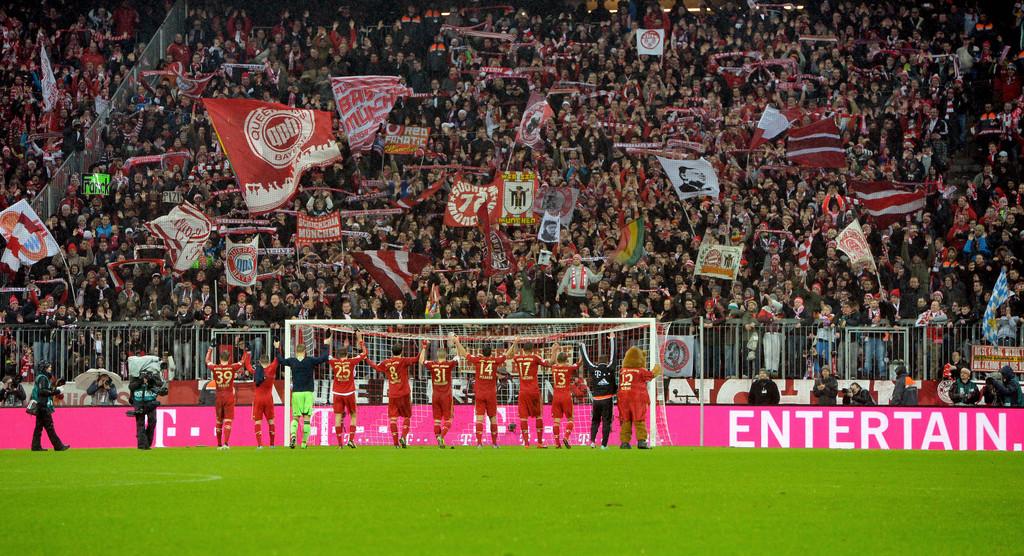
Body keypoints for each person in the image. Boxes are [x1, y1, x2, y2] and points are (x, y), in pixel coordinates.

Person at [453, 335, 517, 448]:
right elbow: (507, 355)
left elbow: (464, 354)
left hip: (480, 394)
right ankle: (494, 443)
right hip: (491, 394)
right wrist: (515, 343)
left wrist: (457, 342)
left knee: (479, 418)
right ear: (491, 353)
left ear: (482, 352)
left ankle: (479, 443)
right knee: (493, 417)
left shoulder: (478, 360)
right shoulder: (494, 361)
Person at [367, 342, 420, 448]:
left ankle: (396, 443)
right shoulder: (404, 361)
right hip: (404, 393)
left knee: (393, 419)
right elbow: (416, 359)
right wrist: (423, 348)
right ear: (402, 351)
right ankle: (404, 437)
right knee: (407, 416)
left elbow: (375, 367)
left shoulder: (386, 362)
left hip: (393, 394)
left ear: (392, 351)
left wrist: (366, 359)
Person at [280, 338, 330, 449]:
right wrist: (326, 345)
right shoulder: (310, 361)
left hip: (296, 393)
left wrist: (277, 347)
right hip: (307, 393)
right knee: (307, 418)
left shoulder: (292, 361)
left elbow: (280, 361)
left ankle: (293, 435)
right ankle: (303, 444)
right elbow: (323, 358)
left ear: (296, 351)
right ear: (305, 351)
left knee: (296, 417)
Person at [205, 345, 251, 450]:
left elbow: (207, 360)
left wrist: (210, 348)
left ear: (220, 359)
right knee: (228, 420)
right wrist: (246, 351)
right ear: (229, 358)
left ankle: (219, 445)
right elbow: (242, 362)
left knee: (219, 421)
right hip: (229, 396)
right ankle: (226, 443)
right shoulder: (232, 367)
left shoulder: (215, 368)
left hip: (219, 396)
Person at [618, 346, 662, 449]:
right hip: (637, 398)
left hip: (623, 397)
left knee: (626, 420)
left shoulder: (622, 370)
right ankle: (641, 441)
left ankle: (624, 443)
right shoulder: (640, 370)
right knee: (639, 419)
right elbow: (650, 375)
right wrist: (656, 369)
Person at [509, 342, 552, 448]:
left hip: (523, 392)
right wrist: (554, 351)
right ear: (532, 349)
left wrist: (515, 343)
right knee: (538, 416)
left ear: (523, 350)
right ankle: (540, 443)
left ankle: (526, 444)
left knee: (523, 418)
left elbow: (513, 355)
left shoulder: (518, 359)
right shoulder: (535, 357)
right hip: (533, 391)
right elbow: (549, 363)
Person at [328, 332, 366, 448]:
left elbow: (327, 355)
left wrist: (328, 340)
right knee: (354, 415)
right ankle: (351, 440)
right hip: (349, 393)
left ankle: (340, 444)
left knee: (338, 417)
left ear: (338, 355)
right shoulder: (351, 361)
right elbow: (364, 354)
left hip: (337, 393)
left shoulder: (333, 361)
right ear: (347, 354)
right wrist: (360, 339)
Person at [580, 335, 617, 449]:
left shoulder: (594, 369)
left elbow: (586, 361)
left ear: (598, 361)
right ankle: (604, 445)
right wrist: (612, 340)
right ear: (607, 361)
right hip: (607, 399)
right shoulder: (610, 368)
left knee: (595, 420)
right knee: (606, 421)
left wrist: (582, 347)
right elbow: (614, 356)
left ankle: (592, 442)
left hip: (596, 400)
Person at [421, 339, 457, 448]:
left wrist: (424, 348)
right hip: (446, 396)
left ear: (437, 355)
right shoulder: (449, 364)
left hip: (435, 396)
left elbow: (421, 361)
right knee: (449, 419)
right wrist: (457, 343)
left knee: (437, 421)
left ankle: (438, 439)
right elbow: (459, 357)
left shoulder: (432, 364)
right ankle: (441, 436)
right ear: (446, 356)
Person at [30, 365, 69, 451]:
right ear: (44, 368)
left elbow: (43, 390)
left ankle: (35, 446)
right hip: (43, 406)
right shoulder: (43, 378)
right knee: (49, 427)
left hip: (39, 405)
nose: (50, 368)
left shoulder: (40, 377)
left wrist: (55, 389)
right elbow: (43, 391)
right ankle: (58, 446)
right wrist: (57, 391)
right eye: (49, 367)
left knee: (39, 427)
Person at [549, 347, 581, 449]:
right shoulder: (569, 368)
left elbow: (552, 361)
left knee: (556, 421)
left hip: (556, 397)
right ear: (566, 360)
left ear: (558, 360)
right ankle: (566, 437)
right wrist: (582, 356)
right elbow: (579, 364)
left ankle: (557, 443)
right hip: (566, 396)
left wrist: (554, 350)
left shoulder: (554, 367)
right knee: (570, 419)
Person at [129, 368, 165, 449]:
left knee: (152, 421)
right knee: (140, 423)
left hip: (150, 401)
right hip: (139, 401)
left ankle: (147, 443)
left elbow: (160, 384)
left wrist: (151, 380)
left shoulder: (154, 373)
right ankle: (142, 445)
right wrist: (141, 381)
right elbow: (131, 386)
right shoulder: (136, 374)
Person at [252, 349, 280, 448]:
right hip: (268, 398)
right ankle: (272, 445)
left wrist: (246, 353)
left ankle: (260, 445)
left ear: (259, 361)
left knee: (258, 421)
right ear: (268, 362)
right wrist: (277, 347)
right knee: (271, 421)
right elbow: (277, 360)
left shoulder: (256, 371)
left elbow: (247, 365)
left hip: (258, 399)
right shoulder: (271, 368)